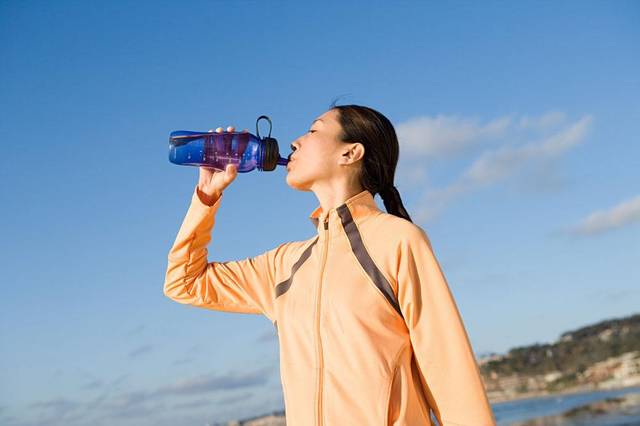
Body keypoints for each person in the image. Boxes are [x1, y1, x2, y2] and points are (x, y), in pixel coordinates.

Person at [163, 103, 497, 426]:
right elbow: (184, 282)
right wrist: (206, 198)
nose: (295, 141)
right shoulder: (284, 265)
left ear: (350, 153)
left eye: (312, 131)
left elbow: (449, 370)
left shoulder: (397, 240)